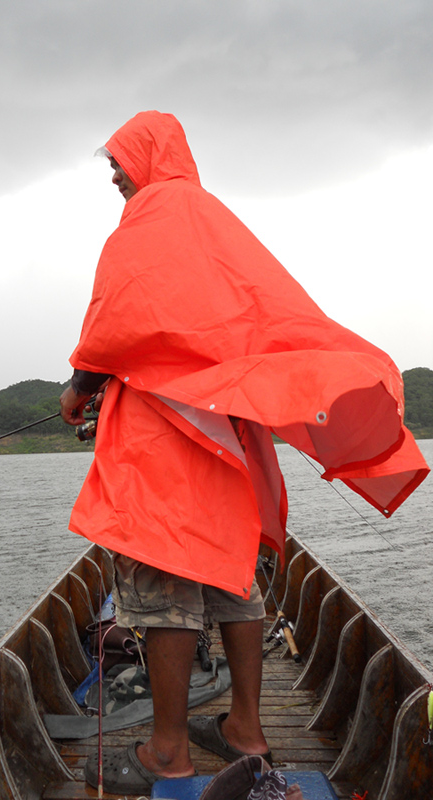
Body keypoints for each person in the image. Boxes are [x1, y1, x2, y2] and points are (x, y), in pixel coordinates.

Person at [59, 111, 428, 794]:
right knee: (231, 575)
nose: (114, 174)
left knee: (167, 579)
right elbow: (252, 312)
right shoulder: (212, 219)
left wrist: (81, 382)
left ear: (145, 156)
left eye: (118, 161)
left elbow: (124, 315)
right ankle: (247, 730)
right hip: (231, 428)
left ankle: (166, 750)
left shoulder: (152, 217)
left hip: (166, 433)